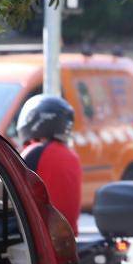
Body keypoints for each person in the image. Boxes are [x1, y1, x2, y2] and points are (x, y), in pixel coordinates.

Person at [17, 94, 82, 229]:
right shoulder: (72, 155)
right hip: (66, 238)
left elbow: (5, 185)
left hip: (42, 236)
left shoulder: (35, 152)